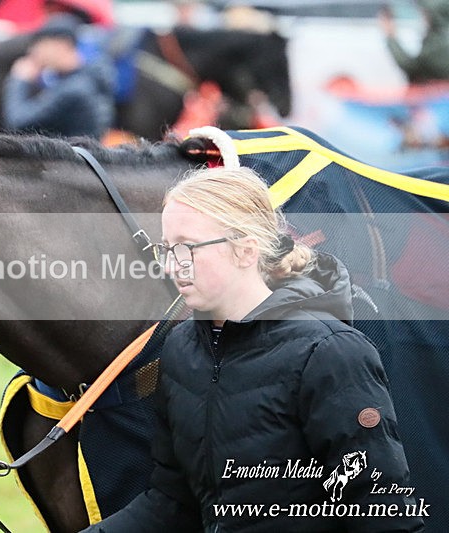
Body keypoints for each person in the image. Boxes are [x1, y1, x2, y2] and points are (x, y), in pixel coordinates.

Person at [82, 166, 423, 531]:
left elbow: (383, 514)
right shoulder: (180, 350)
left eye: (186, 248)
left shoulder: (330, 353)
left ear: (246, 251)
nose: (170, 266)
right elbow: (172, 501)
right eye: (166, 249)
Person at [2, 13, 115, 139]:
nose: (33, 51)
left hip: (72, 157)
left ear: (61, 45)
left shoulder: (75, 88)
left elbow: (17, 123)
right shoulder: (81, 77)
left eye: (40, 44)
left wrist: (19, 80)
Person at [380, 0, 449, 83]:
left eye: (425, 13)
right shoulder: (436, 37)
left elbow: (410, 67)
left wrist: (390, 35)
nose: (423, 17)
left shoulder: (439, 43)